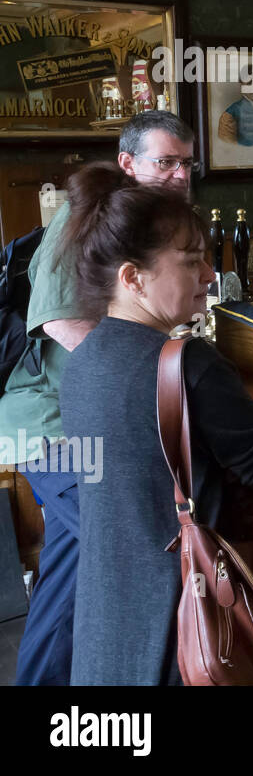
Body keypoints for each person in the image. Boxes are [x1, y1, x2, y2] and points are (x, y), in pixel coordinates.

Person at [57, 163, 253, 685]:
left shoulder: (84, 362)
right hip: (189, 628)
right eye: (190, 261)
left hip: (107, 624)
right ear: (132, 277)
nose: (209, 274)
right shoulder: (186, 364)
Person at [1, 109, 198, 686]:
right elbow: (62, 321)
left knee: (71, 571)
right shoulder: (83, 216)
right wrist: (145, 380)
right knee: (134, 549)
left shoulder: (139, 219)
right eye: (166, 162)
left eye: (187, 164)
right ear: (128, 162)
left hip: (76, 424)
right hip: (53, 426)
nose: (179, 175)